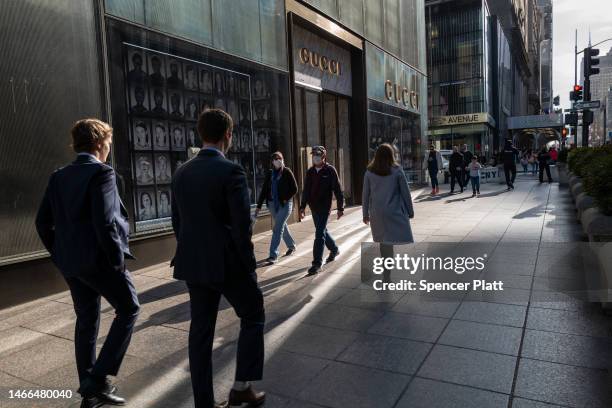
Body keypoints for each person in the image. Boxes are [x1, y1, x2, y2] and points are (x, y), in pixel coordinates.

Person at [35, 119, 139, 408]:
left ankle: (90, 396)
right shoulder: (101, 173)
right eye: (107, 142)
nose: (109, 148)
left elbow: (42, 222)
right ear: (98, 143)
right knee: (129, 309)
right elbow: (105, 222)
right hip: (101, 261)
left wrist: (59, 256)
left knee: (87, 322)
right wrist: (117, 260)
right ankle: (97, 380)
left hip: (71, 265)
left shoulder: (59, 176)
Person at [171, 109, 265, 408]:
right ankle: (241, 388)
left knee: (200, 332)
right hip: (227, 263)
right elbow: (241, 227)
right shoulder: (231, 171)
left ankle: (204, 403)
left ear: (201, 135)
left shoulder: (182, 171)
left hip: (193, 263)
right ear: (228, 134)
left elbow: (178, 222)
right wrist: (249, 265)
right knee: (253, 315)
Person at [363, 144, 414, 281]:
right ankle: (387, 273)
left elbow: (365, 195)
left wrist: (365, 214)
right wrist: (410, 210)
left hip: (377, 213)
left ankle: (385, 272)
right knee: (389, 243)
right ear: (391, 155)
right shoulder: (397, 170)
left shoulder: (369, 172)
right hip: (393, 212)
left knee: (383, 244)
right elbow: (405, 193)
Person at [299, 146, 344, 276]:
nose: (315, 157)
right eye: (313, 155)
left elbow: (338, 190)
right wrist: (302, 207)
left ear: (323, 156)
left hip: (325, 208)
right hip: (314, 207)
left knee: (319, 234)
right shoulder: (310, 172)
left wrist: (340, 208)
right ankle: (334, 249)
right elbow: (306, 190)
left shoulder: (330, 170)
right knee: (322, 231)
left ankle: (316, 264)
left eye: (317, 155)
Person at [255, 152, 298, 263]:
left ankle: (273, 255)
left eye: (280, 158)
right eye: (275, 159)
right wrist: (259, 206)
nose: (278, 160)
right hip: (272, 204)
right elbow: (264, 190)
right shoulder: (270, 174)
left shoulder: (287, 172)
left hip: (285, 204)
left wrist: (285, 198)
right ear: (272, 162)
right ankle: (292, 246)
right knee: (281, 225)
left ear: (283, 159)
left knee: (277, 228)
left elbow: (295, 188)